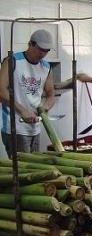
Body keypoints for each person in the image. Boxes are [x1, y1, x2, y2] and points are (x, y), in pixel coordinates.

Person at [0, 29, 55, 157]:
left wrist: (45, 107)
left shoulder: (46, 67)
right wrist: (22, 110)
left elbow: (51, 94)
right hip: (15, 127)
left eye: (46, 51)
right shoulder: (12, 61)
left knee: (34, 168)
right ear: (30, 44)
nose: (43, 54)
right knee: (21, 171)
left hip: (34, 127)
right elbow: (1, 91)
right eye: (40, 49)